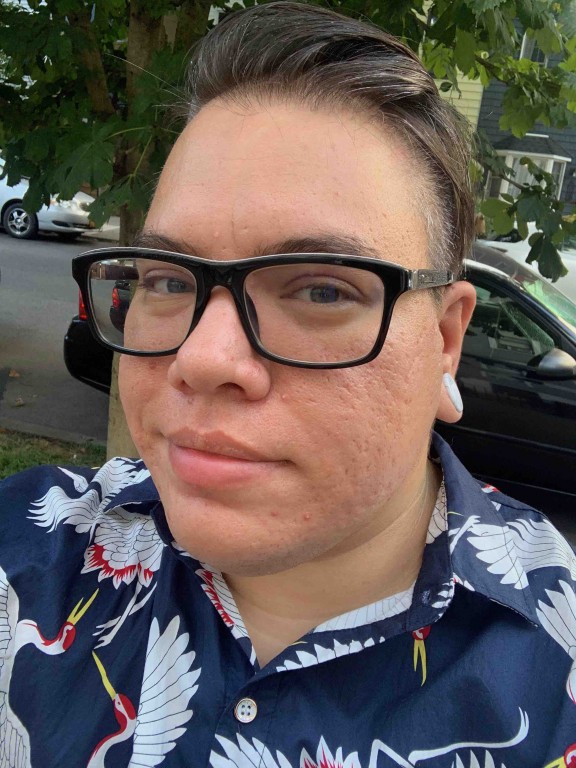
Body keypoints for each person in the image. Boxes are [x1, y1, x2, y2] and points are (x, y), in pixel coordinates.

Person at [1, 3, 575, 766]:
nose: (203, 359)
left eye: (322, 290)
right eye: (168, 279)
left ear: (444, 338)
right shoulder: (28, 555)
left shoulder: (557, 656)